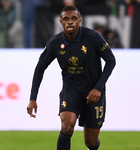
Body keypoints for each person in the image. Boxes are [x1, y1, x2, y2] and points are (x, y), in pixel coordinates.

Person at [27, 5, 116, 150]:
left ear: (79, 21)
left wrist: (97, 88)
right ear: (61, 22)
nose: (70, 22)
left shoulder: (93, 37)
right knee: (67, 126)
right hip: (71, 90)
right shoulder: (55, 43)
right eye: (66, 19)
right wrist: (32, 98)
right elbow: (40, 67)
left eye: (74, 18)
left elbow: (111, 60)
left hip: (93, 92)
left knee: (91, 142)